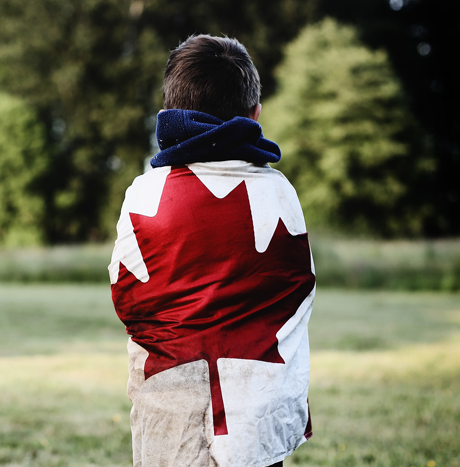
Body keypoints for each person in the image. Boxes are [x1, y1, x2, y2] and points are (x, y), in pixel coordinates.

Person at [109, 34, 316, 467]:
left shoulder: (145, 195)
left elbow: (128, 300)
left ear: (168, 113)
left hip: (171, 413)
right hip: (257, 422)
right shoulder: (281, 193)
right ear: (255, 114)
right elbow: (298, 291)